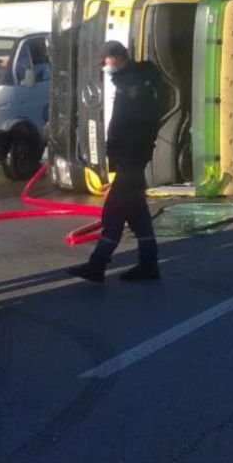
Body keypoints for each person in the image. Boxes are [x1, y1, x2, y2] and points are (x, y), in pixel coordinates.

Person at [66, 41, 163, 283]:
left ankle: (97, 265)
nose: (106, 68)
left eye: (107, 62)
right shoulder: (139, 81)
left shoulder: (132, 85)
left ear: (117, 58)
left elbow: (124, 124)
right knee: (136, 211)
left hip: (130, 156)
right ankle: (148, 264)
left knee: (114, 211)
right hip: (135, 156)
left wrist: (115, 153)